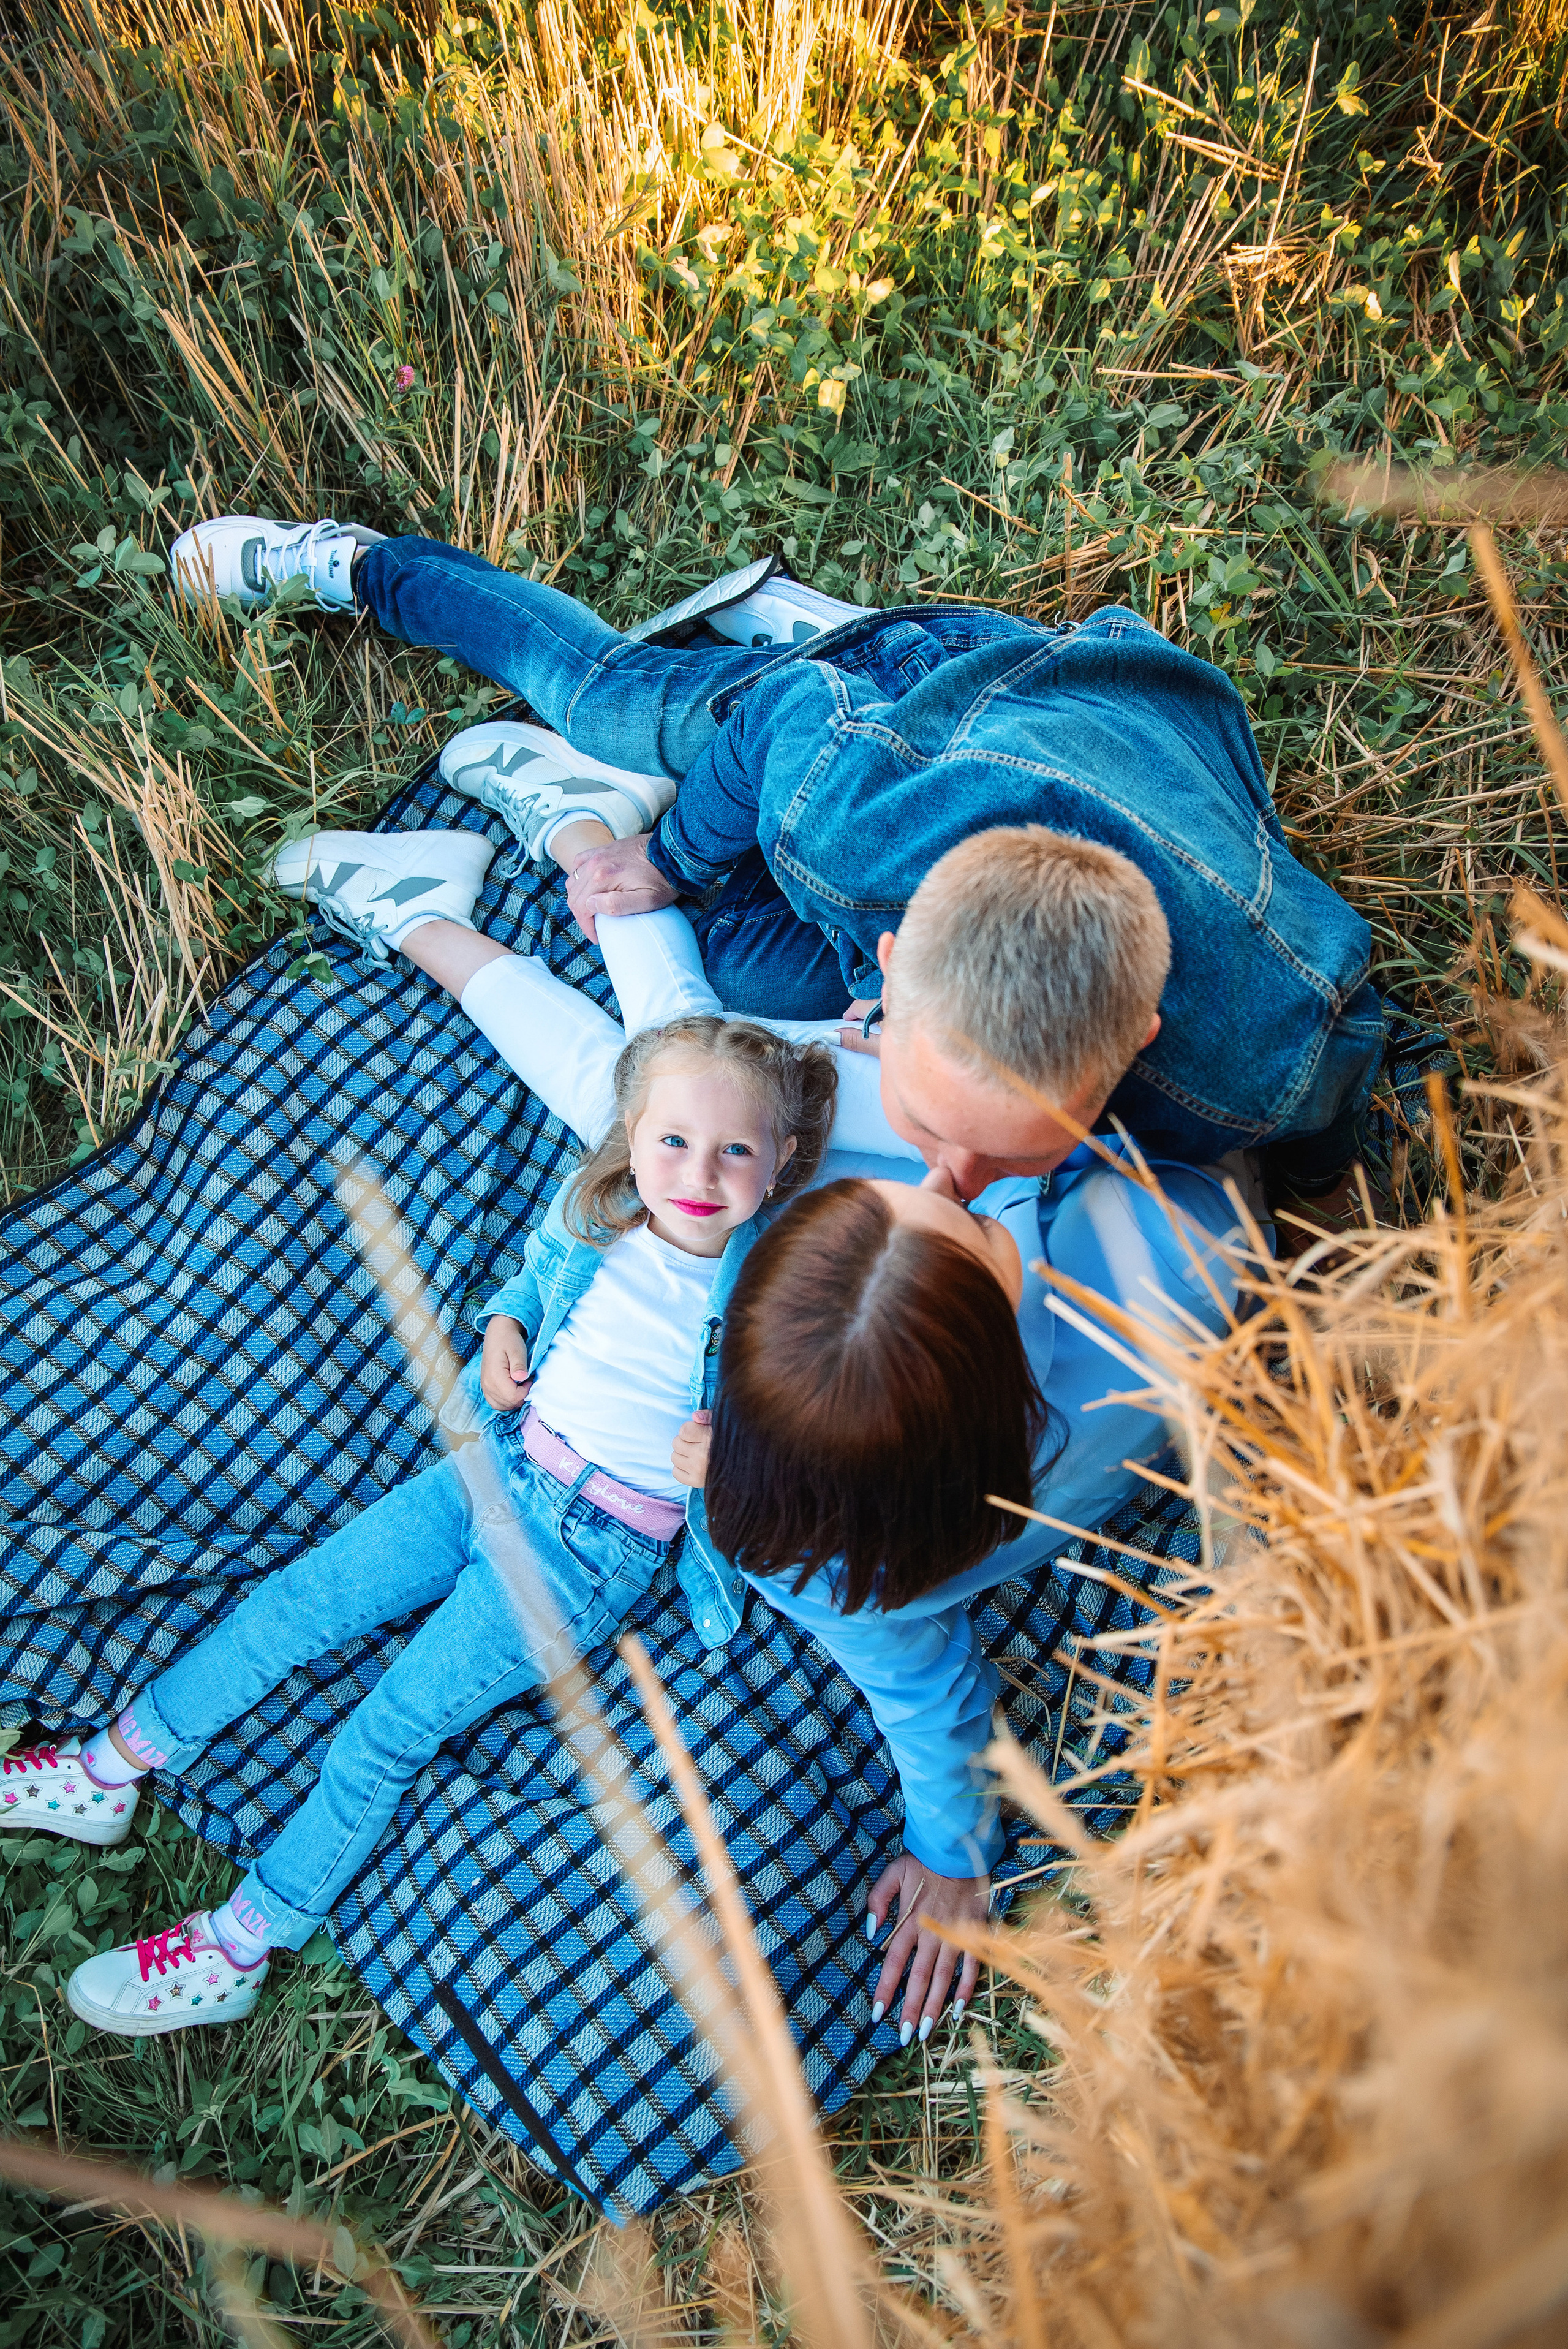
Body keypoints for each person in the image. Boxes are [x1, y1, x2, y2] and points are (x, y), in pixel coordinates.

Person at [13, 953, 1049, 2047]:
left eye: (736, 1151)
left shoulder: (784, 1274)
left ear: (783, 1162)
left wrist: (728, 1458)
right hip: (494, 1469)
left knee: (387, 1728)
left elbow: (821, 1420)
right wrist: (505, 1327)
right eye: (673, 1143)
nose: (700, 1174)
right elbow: (532, 1281)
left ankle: (244, 1935)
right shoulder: (599, 1214)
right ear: (634, 1137)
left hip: (587, 1549)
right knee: (292, 1604)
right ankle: (112, 1761)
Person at [167, 516, 1386, 1197]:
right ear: (891, 960)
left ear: (1137, 1042)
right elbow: (785, 715)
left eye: (1008, 1148)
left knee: (741, 988)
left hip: (1117, 745)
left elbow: (1338, 1080)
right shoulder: (849, 828)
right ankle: (347, 564)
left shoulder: (1265, 1068)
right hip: (919, 698)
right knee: (601, 697)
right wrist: (661, 866)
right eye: (931, 1122)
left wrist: (1317, 1207)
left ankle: (662, 773)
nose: (947, 1180)